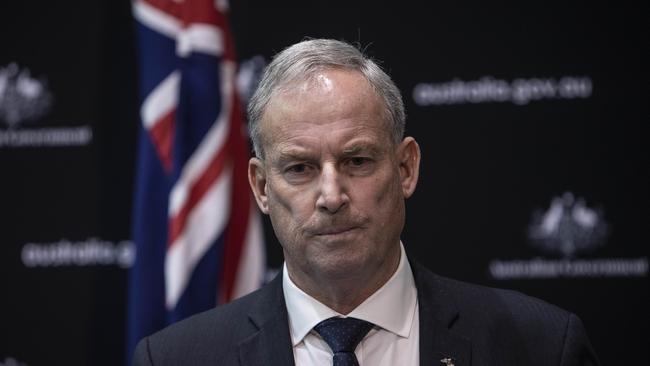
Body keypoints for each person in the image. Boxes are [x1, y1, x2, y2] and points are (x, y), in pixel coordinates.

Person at [133, 39, 599, 366]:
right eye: (299, 168)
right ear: (261, 187)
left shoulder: (540, 346)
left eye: (356, 161)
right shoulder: (177, 358)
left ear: (405, 168)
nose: (332, 196)